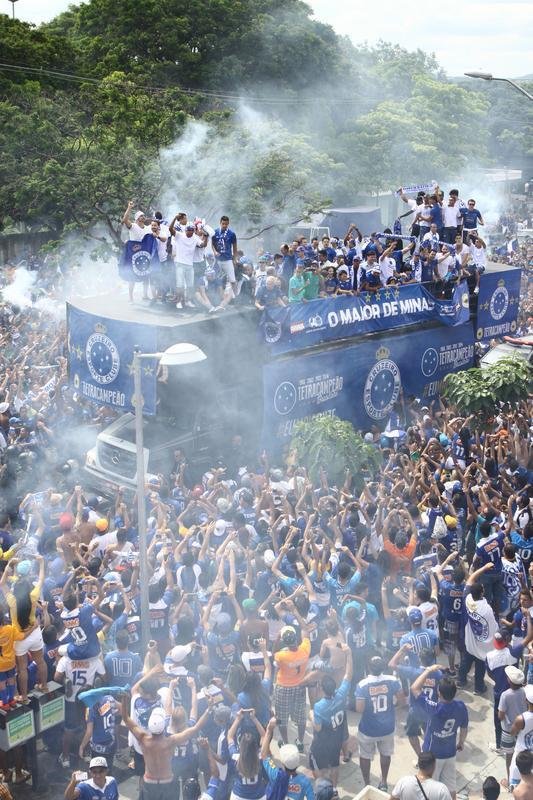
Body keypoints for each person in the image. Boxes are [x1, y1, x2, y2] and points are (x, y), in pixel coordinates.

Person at [121, 695, 212, 800]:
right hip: (168, 784)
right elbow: (196, 728)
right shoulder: (171, 741)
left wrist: (124, 700)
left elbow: (126, 719)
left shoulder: (143, 739)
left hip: (150, 783)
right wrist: (209, 709)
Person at [410, 668, 468, 800]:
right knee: (450, 788)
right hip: (450, 753)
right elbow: (464, 728)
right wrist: (461, 742)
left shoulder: (434, 708)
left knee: (429, 790)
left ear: (438, 692)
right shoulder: (461, 706)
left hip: (432, 755)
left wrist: (427, 671)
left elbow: (414, 688)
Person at [355, 655, 403, 792]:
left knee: (365, 756)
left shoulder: (362, 684)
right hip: (387, 728)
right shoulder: (393, 680)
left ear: (368, 667)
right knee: (385, 754)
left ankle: (367, 783)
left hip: (368, 729)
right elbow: (402, 701)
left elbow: (359, 709)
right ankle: (383, 782)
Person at [309, 645, 352, 786]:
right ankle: (333, 789)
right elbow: (348, 675)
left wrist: (310, 715)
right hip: (336, 740)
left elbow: (318, 727)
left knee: (319, 768)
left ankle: (322, 790)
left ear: (321, 688)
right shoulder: (341, 695)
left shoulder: (319, 706)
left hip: (323, 743)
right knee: (334, 766)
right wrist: (349, 655)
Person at [273, 625, 310, 751]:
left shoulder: (281, 656)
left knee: (282, 718)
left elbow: (274, 654)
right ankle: (300, 741)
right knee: (301, 717)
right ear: (296, 639)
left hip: (283, 688)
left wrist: (277, 638)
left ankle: (286, 742)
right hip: (299, 686)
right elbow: (305, 631)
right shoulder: (305, 649)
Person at [260, 717, 314, 800]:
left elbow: (264, 755)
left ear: (282, 762)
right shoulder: (304, 781)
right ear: (298, 763)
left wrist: (269, 730)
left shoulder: (275, 774)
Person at [212, 216, 238, 294]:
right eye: (223, 224)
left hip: (227, 259)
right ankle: (215, 297)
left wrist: (234, 259)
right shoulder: (215, 232)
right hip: (218, 260)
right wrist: (215, 252)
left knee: (232, 280)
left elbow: (235, 247)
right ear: (220, 223)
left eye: (226, 224)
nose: (224, 226)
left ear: (228, 224)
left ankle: (237, 298)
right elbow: (212, 244)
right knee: (215, 278)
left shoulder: (232, 234)